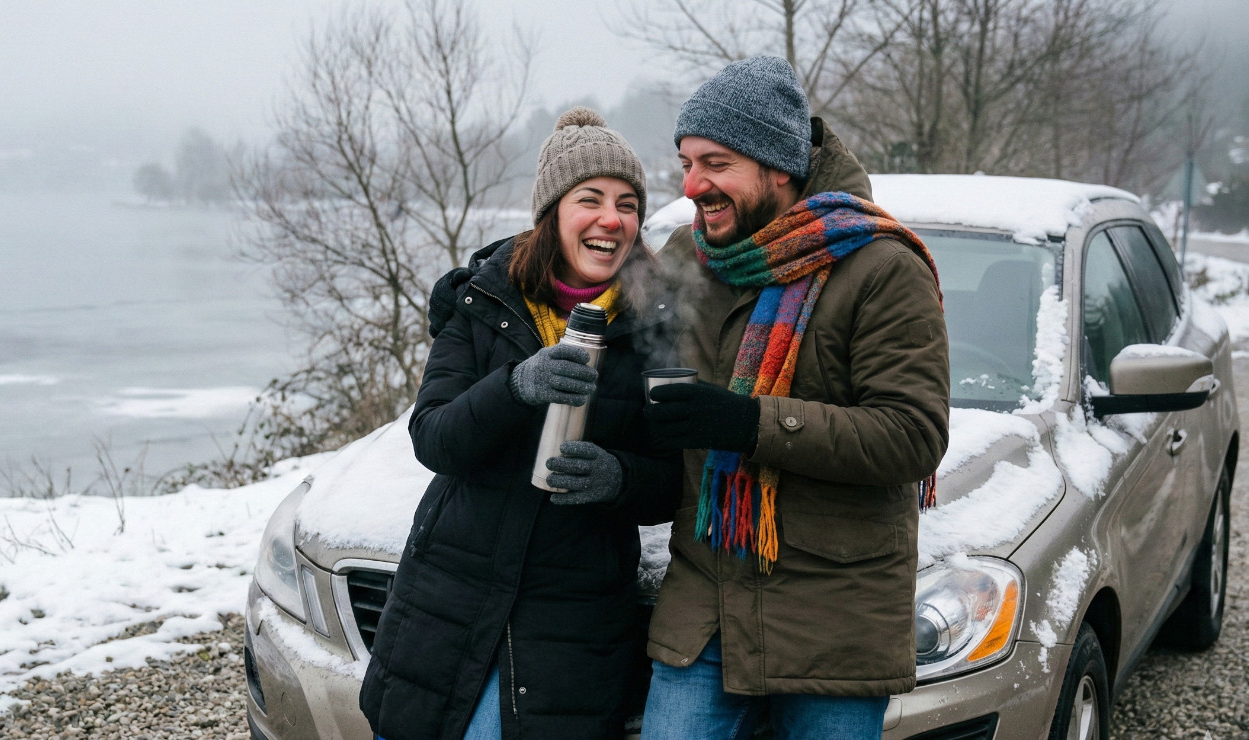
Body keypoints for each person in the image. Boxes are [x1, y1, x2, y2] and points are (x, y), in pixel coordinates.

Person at [638, 56, 950, 739]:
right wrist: (493, 291)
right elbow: (596, 309)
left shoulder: (879, 268)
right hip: (707, 608)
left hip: (835, 619)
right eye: (687, 163)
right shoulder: (688, 259)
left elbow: (912, 434)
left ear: (778, 166)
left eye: (715, 163)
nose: (693, 185)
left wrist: (751, 422)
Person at [359, 107, 681, 740]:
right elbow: (435, 436)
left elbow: (679, 477)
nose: (611, 220)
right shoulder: (484, 300)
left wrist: (619, 478)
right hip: (450, 595)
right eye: (590, 199)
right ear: (553, 213)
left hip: (573, 616)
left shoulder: (662, 325)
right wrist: (515, 387)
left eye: (628, 204)